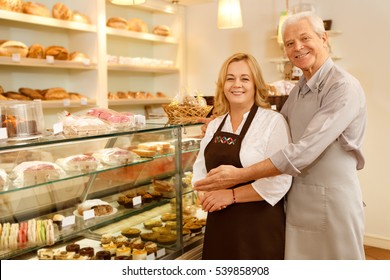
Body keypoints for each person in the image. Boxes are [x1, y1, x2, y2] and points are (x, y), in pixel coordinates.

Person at [194, 11, 367, 260]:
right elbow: (274, 127)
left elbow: (305, 150)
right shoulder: (299, 90)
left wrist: (240, 176)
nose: (297, 47)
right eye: (289, 43)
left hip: (332, 201)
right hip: (297, 201)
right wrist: (222, 125)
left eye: (305, 38)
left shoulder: (343, 87)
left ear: (324, 38)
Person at [192, 52, 292, 259]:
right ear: (222, 85)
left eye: (244, 78)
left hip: (259, 226)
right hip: (219, 222)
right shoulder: (215, 125)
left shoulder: (273, 122)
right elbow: (200, 169)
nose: (237, 84)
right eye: (230, 78)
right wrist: (206, 196)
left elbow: (280, 181)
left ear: (256, 84)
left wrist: (230, 195)